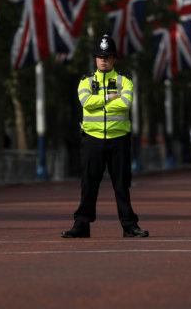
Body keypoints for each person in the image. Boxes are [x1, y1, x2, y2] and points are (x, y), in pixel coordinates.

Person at [61, 34, 148, 238]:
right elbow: (86, 103)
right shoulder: (85, 81)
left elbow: (125, 103)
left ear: (114, 59)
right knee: (88, 184)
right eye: (100, 56)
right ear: (95, 59)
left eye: (107, 56)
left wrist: (99, 99)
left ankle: (129, 225)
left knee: (122, 184)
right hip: (92, 139)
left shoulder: (124, 80)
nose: (103, 60)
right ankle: (81, 224)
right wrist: (110, 96)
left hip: (119, 139)